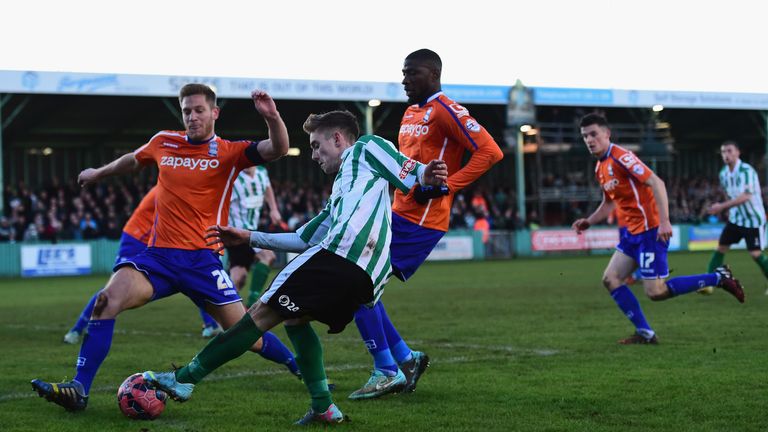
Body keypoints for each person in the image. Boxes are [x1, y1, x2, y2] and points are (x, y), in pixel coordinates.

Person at [141, 110, 448, 425]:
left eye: (316, 145)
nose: (314, 155)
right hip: (366, 280)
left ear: (339, 139)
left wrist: (429, 173)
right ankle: (323, 407)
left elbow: (412, 172)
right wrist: (249, 237)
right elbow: (304, 237)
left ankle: (185, 377)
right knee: (295, 320)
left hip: (340, 258)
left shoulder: (365, 147)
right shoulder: (342, 193)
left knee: (258, 313)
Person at [31, 84, 294, 412]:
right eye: (186, 111)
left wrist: (272, 117)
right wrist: (99, 173)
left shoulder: (229, 152)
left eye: (199, 110)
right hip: (157, 258)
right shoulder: (164, 141)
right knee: (105, 301)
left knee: (249, 336)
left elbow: (278, 148)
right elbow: (133, 160)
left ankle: (300, 368)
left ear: (214, 113)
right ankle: (79, 389)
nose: (192, 117)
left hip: (202, 262)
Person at [348, 48, 504, 400]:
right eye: (403, 73)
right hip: (397, 212)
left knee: (356, 284)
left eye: (412, 73)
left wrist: (448, 187)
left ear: (433, 74)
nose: (405, 80)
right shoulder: (409, 113)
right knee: (360, 285)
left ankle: (387, 369)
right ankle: (405, 359)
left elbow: (490, 152)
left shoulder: (448, 110)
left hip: (421, 221)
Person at [571, 113, 745, 345]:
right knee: (611, 279)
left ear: (607, 134)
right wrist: (589, 221)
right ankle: (645, 333)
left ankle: (718, 278)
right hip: (633, 234)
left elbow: (656, 182)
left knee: (656, 292)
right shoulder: (600, 167)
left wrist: (664, 221)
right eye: (585, 136)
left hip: (650, 231)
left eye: (593, 134)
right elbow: (610, 202)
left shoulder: (622, 157)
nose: (589, 140)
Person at [198, 166, 283, 337]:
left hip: (251, 232)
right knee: (239, 278)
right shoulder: (233, 178)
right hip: (235, 233)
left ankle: (244, 309)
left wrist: (273, 209)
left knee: (259, 263)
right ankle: (220, 320)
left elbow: (267, 188)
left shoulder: (261, 173)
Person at [698, 140, 768, 294]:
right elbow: (729, 194)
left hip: (753, 220)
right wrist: (727, 209)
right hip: (736, 219)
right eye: (723, 152)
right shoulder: (723, 173)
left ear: (738, 152)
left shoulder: (746, 171)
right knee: (720, 248)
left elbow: (746, 197)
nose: (726, 155)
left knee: (755, 254)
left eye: (729, 151)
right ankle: (708, 284)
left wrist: (722, 207)